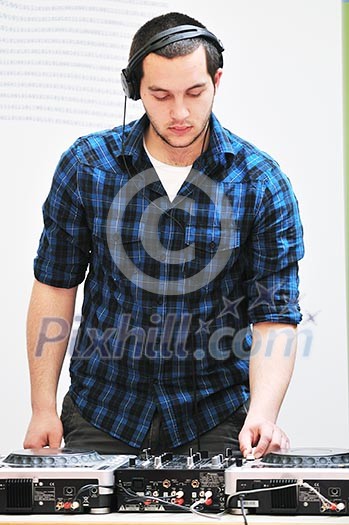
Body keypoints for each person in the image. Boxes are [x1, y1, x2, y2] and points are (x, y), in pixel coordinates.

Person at [24, 12, 304, 458]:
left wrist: (264, 414)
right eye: (160, 94)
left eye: (195, 92)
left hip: (216, 415)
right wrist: (42, 408)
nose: (179, 113)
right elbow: (56, 284)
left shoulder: (260, 182)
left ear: (217, 80)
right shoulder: (86, 166)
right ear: (135, 89)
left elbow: (275, 315)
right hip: (103, 409)